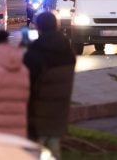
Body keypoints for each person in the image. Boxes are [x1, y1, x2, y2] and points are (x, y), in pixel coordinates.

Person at [23, 12, 76, 159]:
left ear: (38, 27)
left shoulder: (36, 52)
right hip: (59, 108)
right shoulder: (67, 50)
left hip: (38, 109)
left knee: (33, 150)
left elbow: (28, 81)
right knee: (53, 146)